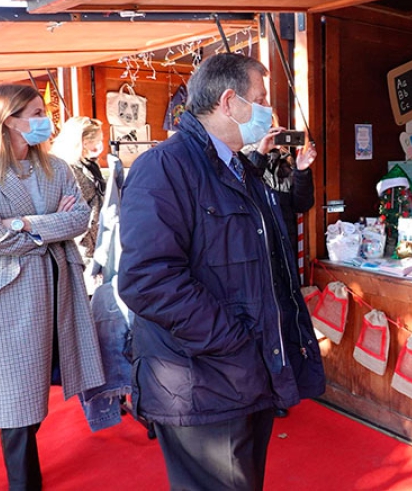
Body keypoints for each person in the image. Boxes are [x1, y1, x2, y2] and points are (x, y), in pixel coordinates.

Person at [118, 53, 325, 490]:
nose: (270, 110)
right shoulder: (166, 166)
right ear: (229, 101)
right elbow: (148, 280)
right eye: (262, 99)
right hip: (203, 379)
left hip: (244, 375)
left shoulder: (241, 167)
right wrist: (236, 341)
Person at [0, 84, 104, 490]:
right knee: (16, 398)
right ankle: (23, 482)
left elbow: (79, 220)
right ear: (8, 120)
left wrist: (22, 224)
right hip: (10, 296)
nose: (45, 120)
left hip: (60, 286)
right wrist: (48, 224)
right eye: (36, 112)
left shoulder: (55, 166)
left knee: (48, 379)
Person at [246, 126, 317, 419]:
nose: (276, 140)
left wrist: (301, 169)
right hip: (252, 257)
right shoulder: (244, 163)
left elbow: (303, 203)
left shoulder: (286, 168)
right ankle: (258, 392)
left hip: (282, 257)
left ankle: (280, 391)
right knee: (258, 324)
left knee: (283, 321)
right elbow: (242, 185)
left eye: (278, 134)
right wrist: (259, 153)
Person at [50, 117, 106, 291]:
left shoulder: (88, 164)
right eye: (97, 140)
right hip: (83, 241)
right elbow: (72, 206)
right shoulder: (67, 169)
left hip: (96, 236)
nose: (101, 145)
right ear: (83, 142)